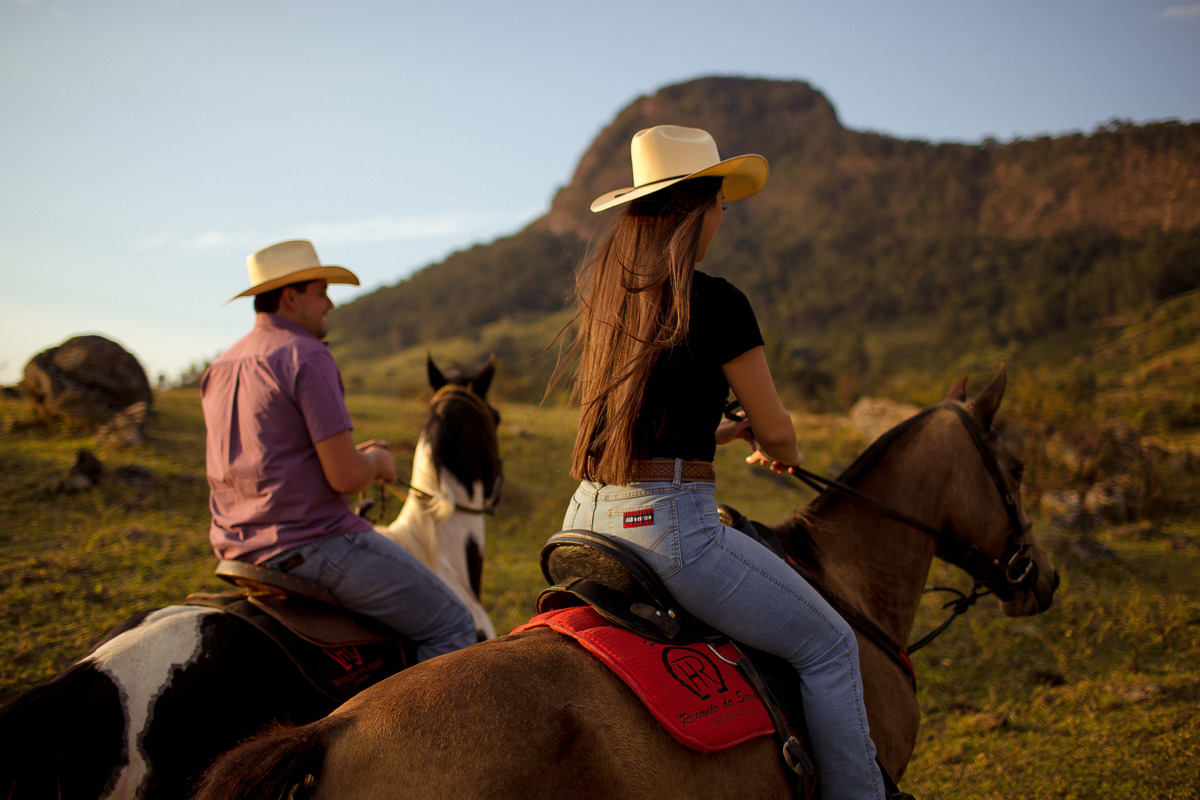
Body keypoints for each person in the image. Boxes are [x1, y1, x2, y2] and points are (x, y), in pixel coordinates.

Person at [559, 126, 887, 799]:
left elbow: (649, 418)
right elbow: (780, 431)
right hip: (669, 531)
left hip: (585, 517)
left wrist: (718, 433)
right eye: (720, 208)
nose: (721, 223)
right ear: (700, 210)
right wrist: (774, 445)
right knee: (831, 648)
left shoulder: (610, 302)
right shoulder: (719, 302)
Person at [202, 239, 476, 662]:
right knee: (453, 623)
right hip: (313, 545)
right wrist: (377, 463)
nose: (329, 302)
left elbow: (266, 459)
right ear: (291, 297)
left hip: (239, 549)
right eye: (320, 291)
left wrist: (353, 455)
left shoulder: (220, 367)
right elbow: (346, 478)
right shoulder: (307, 356)